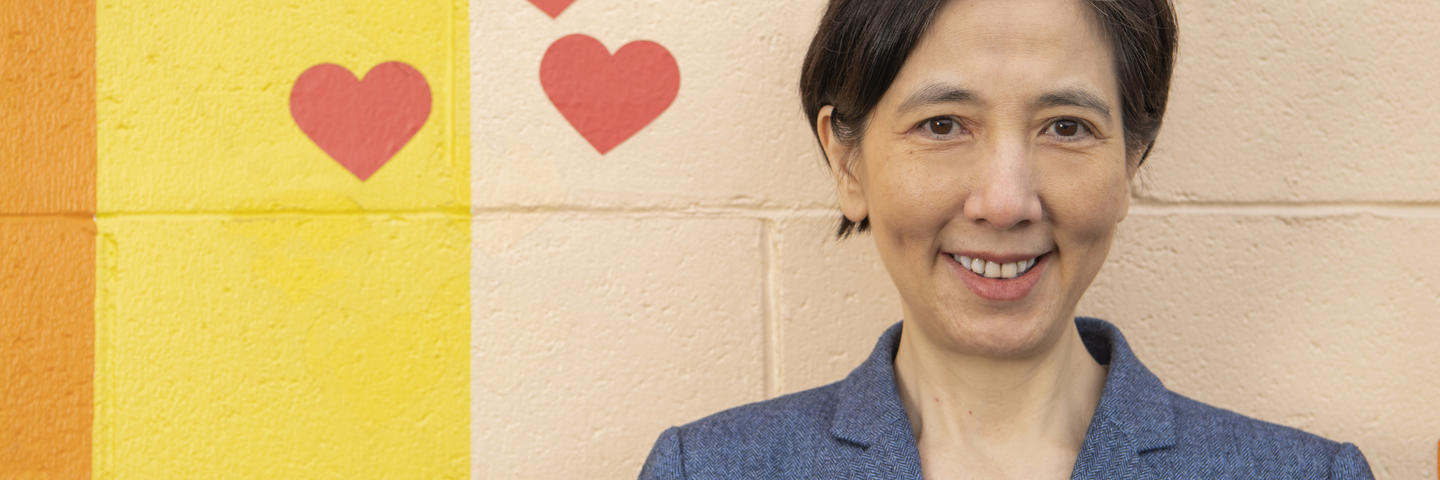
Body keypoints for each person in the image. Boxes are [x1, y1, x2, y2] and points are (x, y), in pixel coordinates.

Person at [639, 0, 1376, 478]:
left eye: (1066, 127)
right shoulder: (704, 469)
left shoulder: (1308, 474)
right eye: (942, 125)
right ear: (847, 160)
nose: (1004, 201)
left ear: (1131, 161)